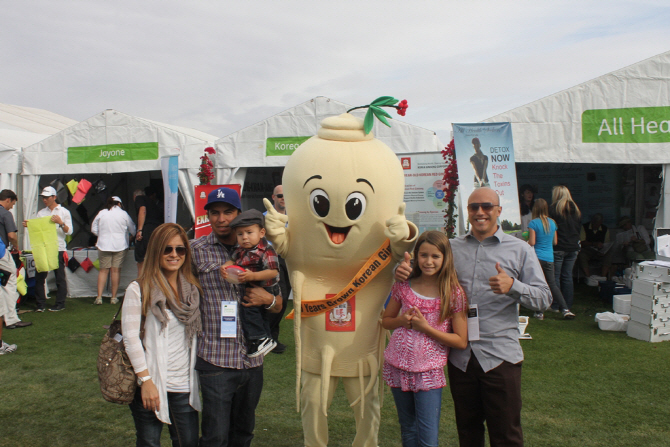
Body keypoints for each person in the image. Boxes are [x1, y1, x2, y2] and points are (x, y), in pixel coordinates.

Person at [396, 187, 551, 446]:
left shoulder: (520, 249)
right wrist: (403, 271)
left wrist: (513, 286)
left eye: (487, 206)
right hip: (461, 357)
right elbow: (425, 273)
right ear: (467, 212)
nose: (480, 212)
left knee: (506, 434)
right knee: (468, 432)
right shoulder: (451, 248)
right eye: (474, 207)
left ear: (498, 211)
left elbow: (544, 299)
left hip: (500, 355)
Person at [190, 187, 282, 447]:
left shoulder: (263, 253)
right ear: (207, 216)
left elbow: (279, 305)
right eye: (214, 213)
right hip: (216, 359)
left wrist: (269, 300)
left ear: (239, 214)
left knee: (243, 434)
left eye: (228, 212)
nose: (221, 219)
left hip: (252, 361)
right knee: (215, 436)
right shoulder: (195, 250)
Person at [382, 230, 468, 446]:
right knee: (408, 430)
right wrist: (402, 321)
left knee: (428, 437)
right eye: (423, 255)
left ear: (445, 258)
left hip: (428, 372)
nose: (428, 261)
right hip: (397, 366)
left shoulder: (452, 292)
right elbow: (386, 321)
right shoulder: (403, 285)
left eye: (435, 256)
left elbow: (460, 340)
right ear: (416, 256)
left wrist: (425, 328)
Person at [122, 223, 202, 447]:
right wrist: (146, 381)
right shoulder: (139, 289)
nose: (174, 255)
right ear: (156, 251)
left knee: (188, 443)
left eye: (180, 249)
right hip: (151, 383)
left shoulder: (192, 290)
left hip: (184, 385)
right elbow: (130, 339)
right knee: (149, 442)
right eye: (167, 249)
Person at [221, 209, 279, 357]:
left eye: (249, 232)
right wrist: (226, 266)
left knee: (250, 311)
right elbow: (232, 260)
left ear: (261, 233)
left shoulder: (266, 250)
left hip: (266, 287)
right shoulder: (240, 249)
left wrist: (252, 276)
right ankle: (263, 339)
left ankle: (260, 338)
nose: (244, 237)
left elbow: (273, 271)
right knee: (252, 312)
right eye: (240, 234)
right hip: (250, 285)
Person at [23, 186, 72, 312]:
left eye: (47, 197)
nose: (44, 200)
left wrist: (60, 223)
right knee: (40, 276)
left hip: (58, 247)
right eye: (43, 197)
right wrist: (30, 225)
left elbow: (69, 231)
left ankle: (60, 303)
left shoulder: (63, 212)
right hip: (44, 247)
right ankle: (40, 304)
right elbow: (39, 230)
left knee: (59, 276)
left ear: (54, 197)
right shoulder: (41, 213)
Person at [528, 199, 576, 320]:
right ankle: (565, 309)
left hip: (537, 258)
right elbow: (555, 242)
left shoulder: (533, 223)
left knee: (537, 284)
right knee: (552, 284)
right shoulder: (553, 223)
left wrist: (525, 242)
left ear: (535, 209)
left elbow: (532, 242)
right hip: (549, 258)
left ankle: (539, 312)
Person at [91, 196, 136, 305]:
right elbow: (133, 229)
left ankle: (99, 297)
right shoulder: (123, 214)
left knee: (103, 270)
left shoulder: (102, 213)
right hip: (120, 245)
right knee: (115, 271)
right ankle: (113, 297)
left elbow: (93, 228)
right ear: (119, 204)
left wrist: (101, 236)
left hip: (103, 244)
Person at [264, 184, 290, 354]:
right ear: (273, 197)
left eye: (285, 195)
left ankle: (272, 338)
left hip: (290, 261)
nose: (282, 198)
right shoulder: (265, 217)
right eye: (279, 195)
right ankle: (267, 338)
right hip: (272, 261)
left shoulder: (294, 217)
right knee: (276, 300)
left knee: (284, 299)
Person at [0, 190, 31, 330]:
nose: (12, 206)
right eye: (13, 203)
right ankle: (11, 318)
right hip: (1, 252)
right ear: (8, 200)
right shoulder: (5, 214)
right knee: (10, 280)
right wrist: (17, 248)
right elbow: (11, 235)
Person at [549, 185, 582, 310]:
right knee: (567, 276)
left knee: (555, 277)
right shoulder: (577, 210)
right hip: (573, 247)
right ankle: (567, 304)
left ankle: (557, 305)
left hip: (559, 246)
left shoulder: (553, 209)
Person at [134, 187, 164, 275]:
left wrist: (139, 230)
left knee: (141, 261)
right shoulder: (154, 204)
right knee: (155, 260)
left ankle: (141, 285)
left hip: (147, 231)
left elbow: (142, 210)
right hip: (157, 231)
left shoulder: (139, 198)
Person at [577, 213, 614, 279]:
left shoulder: (605, 229)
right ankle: (588, 277)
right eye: (596, 224)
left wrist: (603, 250)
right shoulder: (585, 227)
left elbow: (607, 243)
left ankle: (603, 277)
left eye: (599, 224)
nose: (597, 226)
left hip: (600, 251)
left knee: (609, 255)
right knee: (582, 255)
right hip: (588, 250)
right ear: (592, 222)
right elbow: (582, 242)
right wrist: (593, 244)